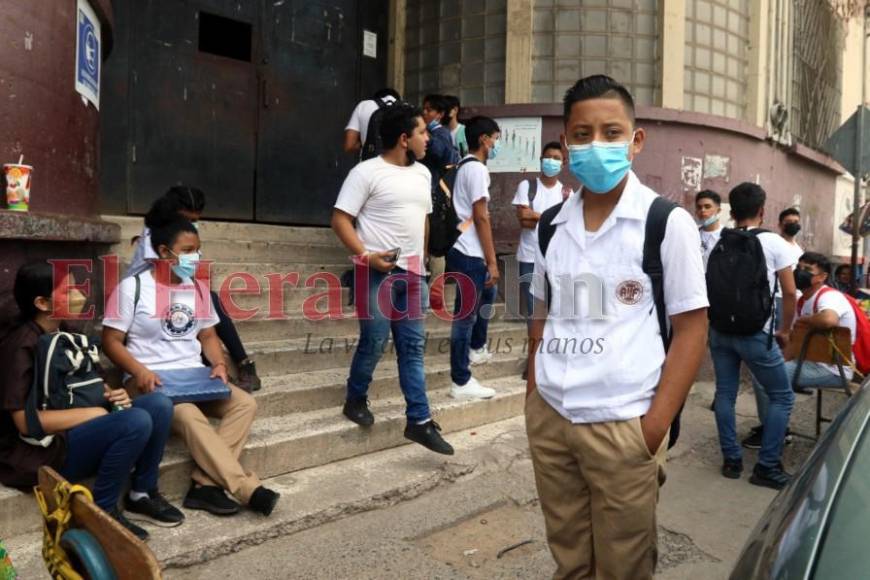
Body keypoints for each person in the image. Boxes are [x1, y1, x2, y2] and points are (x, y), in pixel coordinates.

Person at [525, 75, 708, 579]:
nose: (596, 145)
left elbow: (692, 329)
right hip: (552, 416)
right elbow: (541, 309)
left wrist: (652, 429)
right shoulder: (550, 225)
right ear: (565, 143)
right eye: (582, 135)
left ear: (636, 140)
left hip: (624, 422)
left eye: (611, 132)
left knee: (623, 563)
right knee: (568, 553)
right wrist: (532, 392)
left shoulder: (665, 223)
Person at [103, 220, 280, 517]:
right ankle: (245, 488)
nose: (194, 258)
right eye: (187, 251)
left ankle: (204, 484)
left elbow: (208, 335)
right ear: (163, 251)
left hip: (194, 378)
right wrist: (139, 371)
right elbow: (110, 341)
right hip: (150, 382)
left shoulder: (197, 289)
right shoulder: (132, 288)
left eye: (197, 251)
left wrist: (220, 364)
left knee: (245, 404)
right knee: (188, 413)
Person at [0, 262, 181, 541]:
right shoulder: (21, 345)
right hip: (42, 452)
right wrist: (94, 413)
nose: (80, 295)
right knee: (135, 421)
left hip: (78, 432)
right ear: (42, 302)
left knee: (158, 405)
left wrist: (112, 393)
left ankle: (142, 492)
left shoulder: (69, 333)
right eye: (69, 290)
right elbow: (25, 423)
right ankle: (104, 510)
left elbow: (91, 382)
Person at [331, 102, 454, 456]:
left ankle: (419, 420)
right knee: (374, 341)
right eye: (421, 132)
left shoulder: (423, 175)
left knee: (412, 349)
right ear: (404, 138)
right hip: (375, 272)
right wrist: (366, 256)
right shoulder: (366, 173)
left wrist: (428, 262)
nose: (427, 138)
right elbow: (340, 219)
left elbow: (425, 221)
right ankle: (355, 398)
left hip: (414, 273)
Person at [127, 186, 262, 393]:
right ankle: (216, 372)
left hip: (172, 291)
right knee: (197, 304)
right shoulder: (156, 238)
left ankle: (242, 365)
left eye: (194, 220)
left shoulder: (184, 236)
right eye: (185, 219)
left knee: (206, 299)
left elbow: (186, 278)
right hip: (148, 298)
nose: (190, 225)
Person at [710, 182, 797, 489]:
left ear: (731, 212)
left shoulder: (716, 240)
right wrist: (785, 330)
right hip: (756, 334)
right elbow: (789, 292)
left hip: (720, 331)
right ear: (762, 211)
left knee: (725, 393)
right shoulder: (775, 244)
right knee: (782, 397)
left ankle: (732, 460)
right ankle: (767, 466)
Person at [446, 116, 502, 400]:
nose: (495, 145)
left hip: (463, 248)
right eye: (495, 139)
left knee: (488, 295)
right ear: (483, 139)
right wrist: (492, 261)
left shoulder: (464, 166)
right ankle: (460, 379)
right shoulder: (477, 169)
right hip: (470, 252)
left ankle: (475, 348)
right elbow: (481, 216)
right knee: (465, 317)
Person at [512, 141, 567, 331]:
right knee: (533, 310)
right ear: (541, 160)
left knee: (555, 309)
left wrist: (536, 215)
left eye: (556, 158)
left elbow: (564, 226)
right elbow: (523, 219)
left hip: (556, 259)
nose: (551, 161)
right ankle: (535, 353)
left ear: (563, 163)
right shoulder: (527, 186)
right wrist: (552, 218)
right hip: (529, 257)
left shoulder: (566, 194)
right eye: (548, 157)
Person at [784, 253, 858, 389]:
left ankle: (778, 408)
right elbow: (793, 340)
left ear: (822, 277)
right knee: (767, 373)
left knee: (770, 378)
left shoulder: (830, 296)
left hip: (834, 370)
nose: (800, 272)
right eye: (799, 268)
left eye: (807, 270)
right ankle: (780, 406)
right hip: (808, 362)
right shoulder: (801, 301)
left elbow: (828, 320)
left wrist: (804, 320)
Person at [343, 88, 400, 155]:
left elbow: (349, 145)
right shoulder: (406, 108)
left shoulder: (363, 106)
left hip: (369, 163)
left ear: (375, 99)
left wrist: (367, 142)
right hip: (398, 163)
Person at [695, 189, 723, 269]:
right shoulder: (693, 234)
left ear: (718, 210)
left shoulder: (726, 235)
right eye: (699, 207)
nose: (703, 210)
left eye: (707, 207)